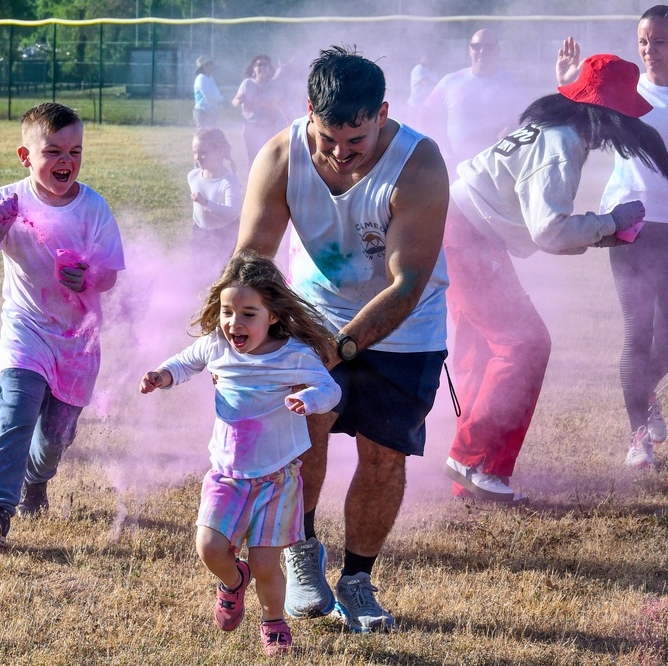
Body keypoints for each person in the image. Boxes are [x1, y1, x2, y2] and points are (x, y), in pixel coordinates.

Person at [235, 45, 449, 633]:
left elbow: (406, 285)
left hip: (406, 329)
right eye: (328, 139)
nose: (340, 155)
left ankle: (357, 579)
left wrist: (344, 346)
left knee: (384, 453)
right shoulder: (280, 155)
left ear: (382, 113)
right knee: (306, 435)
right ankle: (305, 557)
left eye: (355, 143)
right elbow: (252, 257)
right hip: (311, 314)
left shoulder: (419, 164)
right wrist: (241, 326)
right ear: (309, 110)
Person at [444, 54, 668, 502]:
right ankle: (475, 461)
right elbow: (548, 229)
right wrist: (609, 221)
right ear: (606, 113)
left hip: (460, 230)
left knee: (484, 351)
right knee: (526, 345)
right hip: (469, 239)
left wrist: (604, 234)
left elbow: (540, 221)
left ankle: (468, 469)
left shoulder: (552, 128)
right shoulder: (564, 141)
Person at [139, 250, 340, 656]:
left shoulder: (294, 355)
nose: (235, 323)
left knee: (267, 564)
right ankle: (233, 582)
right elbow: (184, 362)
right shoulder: (216, 346)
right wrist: (162, 375)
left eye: (249, 313)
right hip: (227, 474)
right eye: (228, 312)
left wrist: (311, 399)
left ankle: (273, 623)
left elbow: (330, 388)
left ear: (274, 316)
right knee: (209, 546)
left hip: (277, 478)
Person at [557, 5, 668, 469]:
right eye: (642, 42)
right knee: (638, 333)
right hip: (629, 223)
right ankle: (639, 438)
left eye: (657, 41)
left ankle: (646, 395)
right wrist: (569, 82)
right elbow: (578, 111)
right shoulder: (625, 89)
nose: (648, 50)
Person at [0, 102, 126, 547]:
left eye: (75, 151)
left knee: (56, 436)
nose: (65, 161)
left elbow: (109, 274)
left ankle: (36, 482)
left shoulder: (93, 208)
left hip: (78, 341)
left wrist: (89, 275)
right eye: (53, 151)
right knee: (16, 412)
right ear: (25, 156)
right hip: (26, 328)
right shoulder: (8, 201)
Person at [419, 29, 529, 168]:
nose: (482, 51)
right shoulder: (451, 81)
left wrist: (513, 130)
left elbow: (527, 123)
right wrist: (438, 149)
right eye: (476, 46)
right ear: (469, 50)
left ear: (498, 50)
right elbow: (425, 114)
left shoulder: (512, 85)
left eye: (489, 47)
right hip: (455, 167)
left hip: (497, 168)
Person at [187, 127, 241, 279]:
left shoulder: (228, 181)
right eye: (195, 152)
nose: (198, 157)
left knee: (223, 275)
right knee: (198, 272)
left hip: (225, 235)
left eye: (203, 153)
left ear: (219, 153)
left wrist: (206, 203)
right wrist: (197, 224)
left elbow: (232, 213)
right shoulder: (192, 176)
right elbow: (196, 211)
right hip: (200, 233)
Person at [232, 54, 289, 167]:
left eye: (265, 65)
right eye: (259, 65)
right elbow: (236, 99)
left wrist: (290, 121)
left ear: (269, 68)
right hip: (252, 126)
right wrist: (238, 101)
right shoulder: (247, 84)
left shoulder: (275, 85)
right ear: (254, 68)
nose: (262, 67)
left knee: (271, 156)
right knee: (253, 157)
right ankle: (253, 182)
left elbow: (283, 105)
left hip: (271, 127)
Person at [407, 49, 439, 119]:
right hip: (415, 105)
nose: (430, 60)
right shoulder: (419, 68)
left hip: (426, 105)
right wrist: (439, 85)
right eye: (428, 57)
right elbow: (425, 83)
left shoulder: (433, 71)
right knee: (413, 126)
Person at [194, 56, 224, 130]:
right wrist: (222, 100)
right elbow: (209, 96)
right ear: (204, 67)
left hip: (211, 113)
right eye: (210, 64)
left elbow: (215, 94)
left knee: (211, 137)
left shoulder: (210, 78)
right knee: (204, 137)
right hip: (203, 112)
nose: (213, 66)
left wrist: (221, 101)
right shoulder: (201, 78)